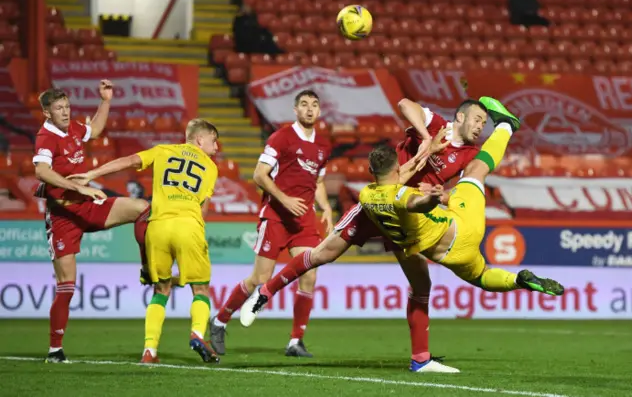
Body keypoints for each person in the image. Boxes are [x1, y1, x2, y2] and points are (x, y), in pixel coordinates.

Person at [241, 97, 565, 373]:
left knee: (422, 284)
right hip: (387, 203)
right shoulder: (438, 125)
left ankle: (420, 359)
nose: (481, 126)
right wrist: (427, 139)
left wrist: (442, 196)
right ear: (461, 116)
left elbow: (449, 185)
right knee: (322, 254)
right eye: (478, 119)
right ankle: (265, 292)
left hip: (407, 217)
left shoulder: (469, 155)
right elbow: (404, 104)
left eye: (486, 122)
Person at [69, 119, 221, 364]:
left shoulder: (163, 151)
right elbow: (203, 210)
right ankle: (197, 334)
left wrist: (92, 173)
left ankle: (149, 351)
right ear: (199, 140)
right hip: (188, 226)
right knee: (201, 289)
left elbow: (129, 161)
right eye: (214, 140)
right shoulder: (211, 167)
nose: (216, 146)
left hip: (157, 226)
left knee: (160, 290)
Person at [208, 90, 332, 358]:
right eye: (304, 105)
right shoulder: (282, 137)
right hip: (276, 215)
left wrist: (327, 207)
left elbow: (318, 182)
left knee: (310, 275)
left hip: (304, 219)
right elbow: (259, 175)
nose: (309, 109)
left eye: (314, 105)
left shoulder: (323, 146)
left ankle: (295, 341)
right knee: (259, 278)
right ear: (295, 110)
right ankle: (219, 321)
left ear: (319, 111)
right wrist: (285, 199)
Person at [33, 83, 149, 364]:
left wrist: (105, 101)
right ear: (46, 112)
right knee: (67, 286)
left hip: (88, 206)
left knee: (144, 208)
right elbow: (41, 171)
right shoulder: (45, 137)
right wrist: (81, 189)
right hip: (63, 215)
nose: (65, 111)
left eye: (67, 106)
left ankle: (148, 268)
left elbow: (94, 129)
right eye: (59, 108)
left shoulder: (73, 128)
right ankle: (55, 350)